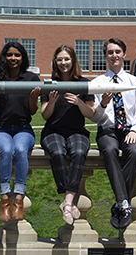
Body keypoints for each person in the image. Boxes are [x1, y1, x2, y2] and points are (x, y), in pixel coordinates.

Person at [91, 38, 136, 229]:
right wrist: (103, 104)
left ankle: (120, 203)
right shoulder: (97, 83)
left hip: (130, 129)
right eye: (110, 52)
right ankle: (124, 202)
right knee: (110, 149)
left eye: (117, 52)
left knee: (135, 151)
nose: (114, 55)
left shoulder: (134, 82)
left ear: (124, 54)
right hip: (107, 130)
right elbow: (95, 117)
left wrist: (135, 131)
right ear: (105, 55)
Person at [0, 42, 41, 223]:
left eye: (17, 55)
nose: (13, 58)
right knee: (7, 150)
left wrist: (33, 99)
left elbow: (32, 112)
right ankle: (4, 199)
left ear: (23, 58)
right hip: (1, 128)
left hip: (24, 128)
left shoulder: (31, 78)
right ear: (4, 57)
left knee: (21, 150)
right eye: (9, 55)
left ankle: (18, 199)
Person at [40, 45, 95, 225]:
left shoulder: (83, 82)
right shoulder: (49, 84)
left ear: (73, 61)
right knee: (57, 153)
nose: (63, 63)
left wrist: (79, 102)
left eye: (67, 59)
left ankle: (67, 203)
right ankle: (69, 202)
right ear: (55, 62)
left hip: (77, 131)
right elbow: (44, 115)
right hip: (53, 131)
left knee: (79, 152)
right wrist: (52, 103)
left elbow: (91, 113)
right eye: (60, 59)